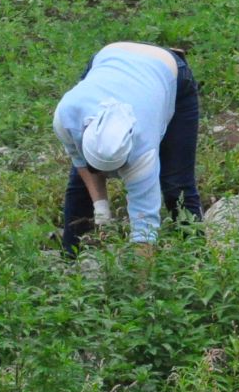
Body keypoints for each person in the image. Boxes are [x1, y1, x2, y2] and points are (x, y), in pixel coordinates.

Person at [52, 42, 201, 255]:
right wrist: (101, 208)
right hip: (110, 58)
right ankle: (70, 261)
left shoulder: (143, 152)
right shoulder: (67, 115)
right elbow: (80, 161)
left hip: (167, 71)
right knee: (80, 184)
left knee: (177, 185)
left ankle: (197, 260)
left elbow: (145, 229)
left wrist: (140, 284)